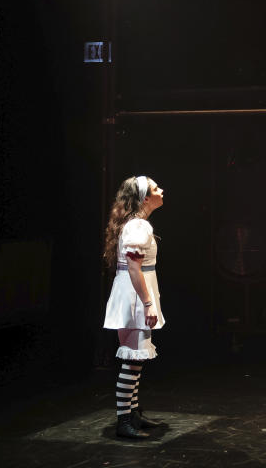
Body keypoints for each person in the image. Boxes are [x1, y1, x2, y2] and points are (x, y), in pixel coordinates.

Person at [102, 175, 166, 439]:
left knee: (136, 360)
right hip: (134, 295)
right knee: (132, 359)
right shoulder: (138, 226)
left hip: (136, 290)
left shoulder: (137, 224)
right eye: (155, 188)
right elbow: (133, 267)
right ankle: (124, 421)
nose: (161, 190)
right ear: (145, 198)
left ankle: (133, 414)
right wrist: (148, 303)